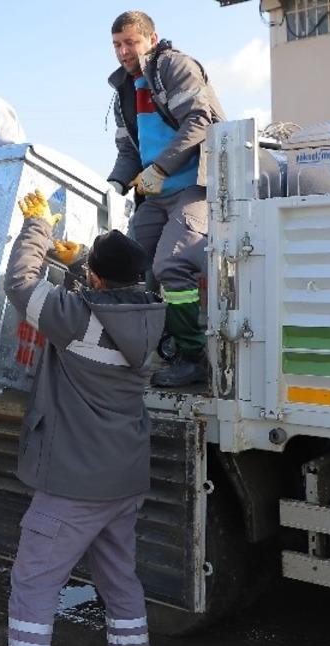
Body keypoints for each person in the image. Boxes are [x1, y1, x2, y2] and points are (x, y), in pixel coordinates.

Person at [0, 191, 165, 646]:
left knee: (33, 589)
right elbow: (105, 298)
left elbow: (20, 284)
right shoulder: (149, 317)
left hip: (74, 486)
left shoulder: (76, 319)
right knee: (120, 582)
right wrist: (80, 262)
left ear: (98, 281)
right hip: (124, 478)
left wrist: (37, 226)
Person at [107, 10, 226, 388]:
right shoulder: (124, 90)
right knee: (126, 267)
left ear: (152, 40)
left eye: (131, 42)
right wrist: (114, 185)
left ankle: (192, 357)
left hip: (196, 187)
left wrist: (159, 168)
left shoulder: (174, 67)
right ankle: (145, 349)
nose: (123, 52)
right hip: (155, 196)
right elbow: (129, 151)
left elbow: (199, 121)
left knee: (171, 264)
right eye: (117, 45)